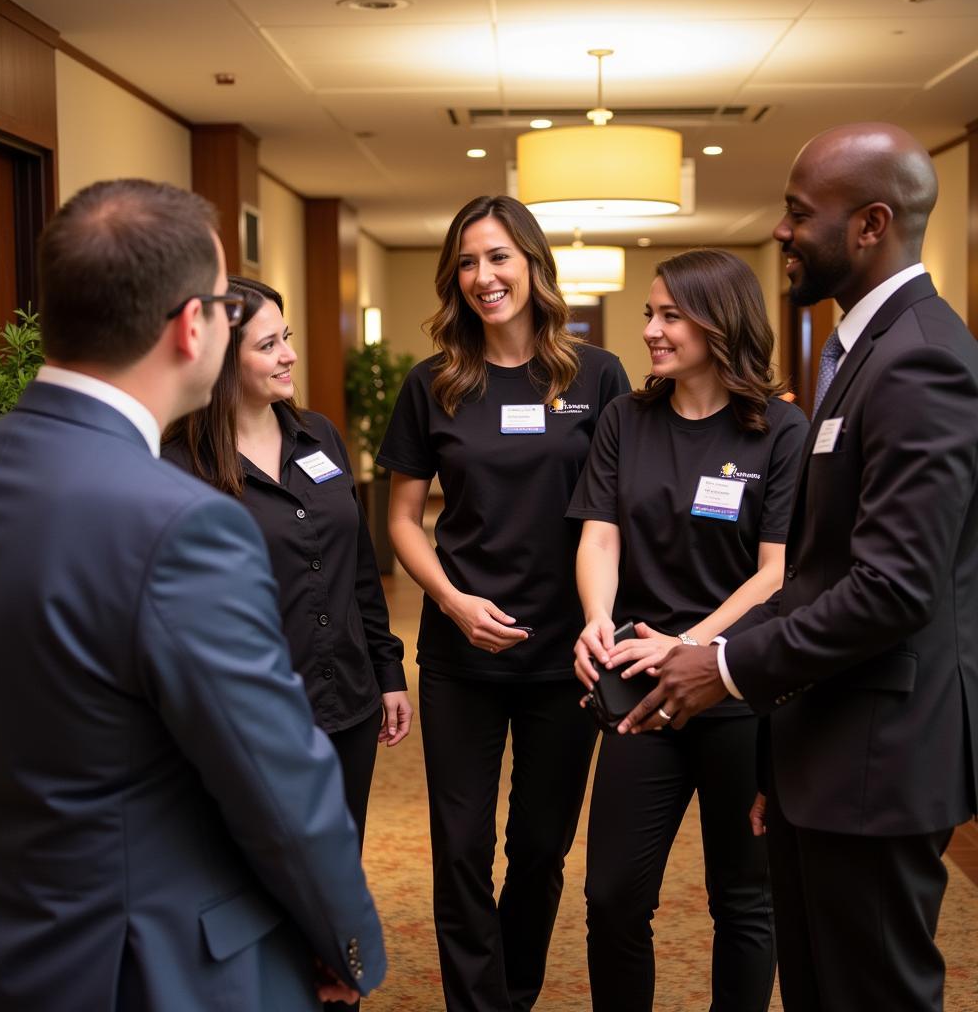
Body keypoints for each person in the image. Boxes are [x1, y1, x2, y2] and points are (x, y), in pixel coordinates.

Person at [0, 179, 385, 1011]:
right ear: (194, 327)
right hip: (141, 963)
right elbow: (276, 783)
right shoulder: (181, 522)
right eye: (228, 308)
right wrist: (343, 940)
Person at [625, 124, 978, 1012]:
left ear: (870, 224)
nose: (781, 232)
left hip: (879, 759)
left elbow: (894, 584)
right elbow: (831, 566)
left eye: (797, 213)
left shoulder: (921, 356)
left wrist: (729, 665)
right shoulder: (862, 348)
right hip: (828, 747)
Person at [377, 195, 630, 1011]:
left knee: (539, 849)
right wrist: (451, 602)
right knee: (459, 845)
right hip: (463, 654)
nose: (484, 277)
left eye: (499, 258)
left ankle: (515, 989)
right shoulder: (434, 384)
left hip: (567, 655)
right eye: (468, 262)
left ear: (532, 263)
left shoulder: (597, 376)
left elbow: (618, 513)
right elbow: (401, 520)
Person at [568, 248, 807, 1010]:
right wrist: (599, 621)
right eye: (650, 313)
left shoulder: (781, 430)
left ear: (719, 321)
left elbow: (776, 574)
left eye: (670, 315)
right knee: (610, 896)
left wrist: (693, 646)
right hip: (640, 685)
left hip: (740, 687)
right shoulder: (625, 419)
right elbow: (599, 535)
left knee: (742, 898)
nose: (651, 331)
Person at [163, 275, 411, 859]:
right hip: (249, 722)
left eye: (288, 336)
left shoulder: (319, 435)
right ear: (222, 362)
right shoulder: (180, 467)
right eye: (268, 344)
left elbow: (358, 570)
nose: (289, 354)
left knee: (337, 870)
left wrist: (388, 670)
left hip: (348, 704)